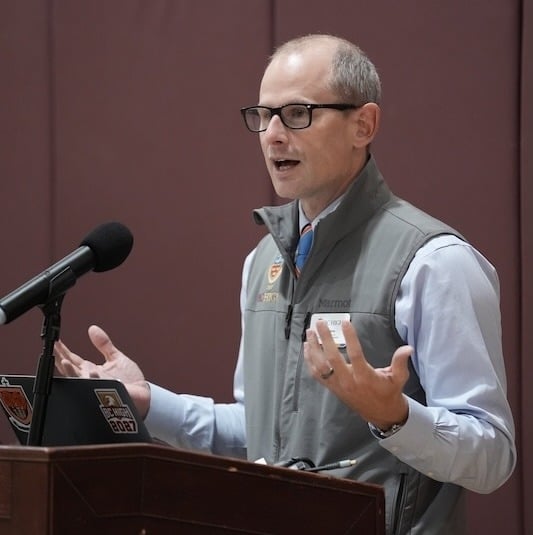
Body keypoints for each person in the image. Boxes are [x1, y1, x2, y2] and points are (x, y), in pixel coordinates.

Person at [54, 34, 516, 534]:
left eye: (297, 113)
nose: (272, 135)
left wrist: (395, 417)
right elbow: (259, 436)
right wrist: (145, 401)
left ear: (364, 124)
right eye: (262, 115)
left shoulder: (434, 263)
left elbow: (491, 456)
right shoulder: (263, 262)